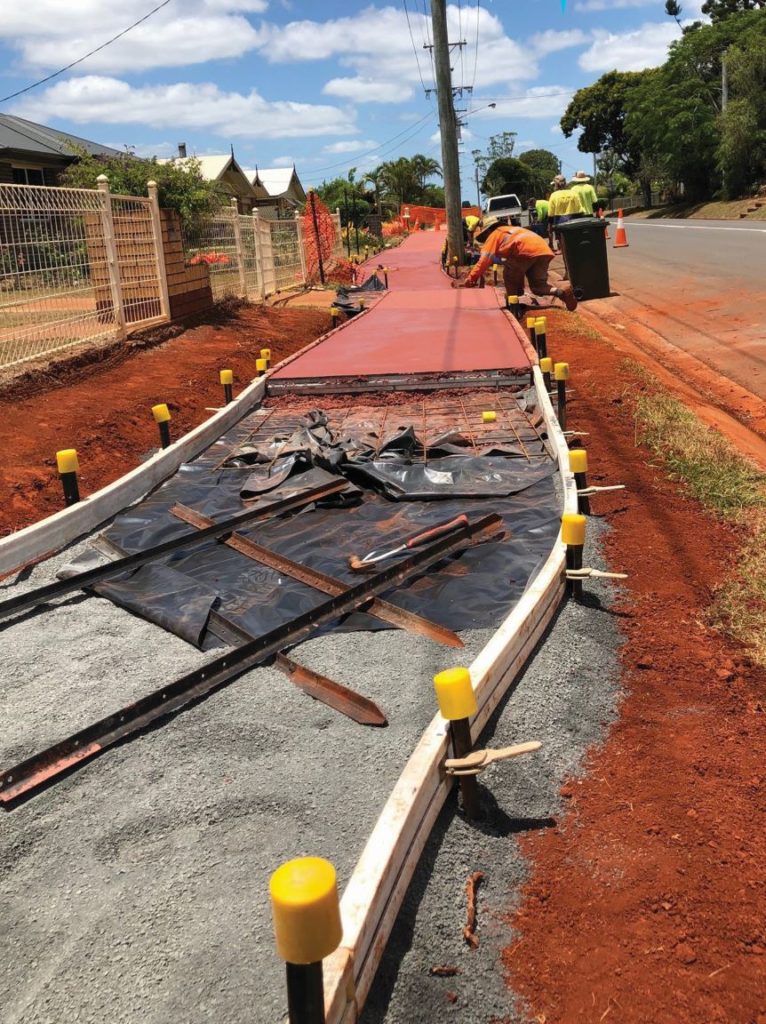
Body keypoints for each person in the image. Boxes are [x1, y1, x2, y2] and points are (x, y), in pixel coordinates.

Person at [453, 216, 577, 310]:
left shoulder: (494, 235)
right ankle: (560, 292)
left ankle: (513, 306)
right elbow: (515, 264)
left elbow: (484, 261)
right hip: (543, 251)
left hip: (525, 251)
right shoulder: (512, 230)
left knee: (508, 274)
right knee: (537, 286)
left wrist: (471, 279)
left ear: (487, 231)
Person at [547, 174, 586, 250]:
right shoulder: (573, 193)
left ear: (556, 185)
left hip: (560, 223)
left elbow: (550, 214)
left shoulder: (553, 195)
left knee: (563, 245)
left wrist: (550, 227)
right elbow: (580, 210)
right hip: (574, 221)